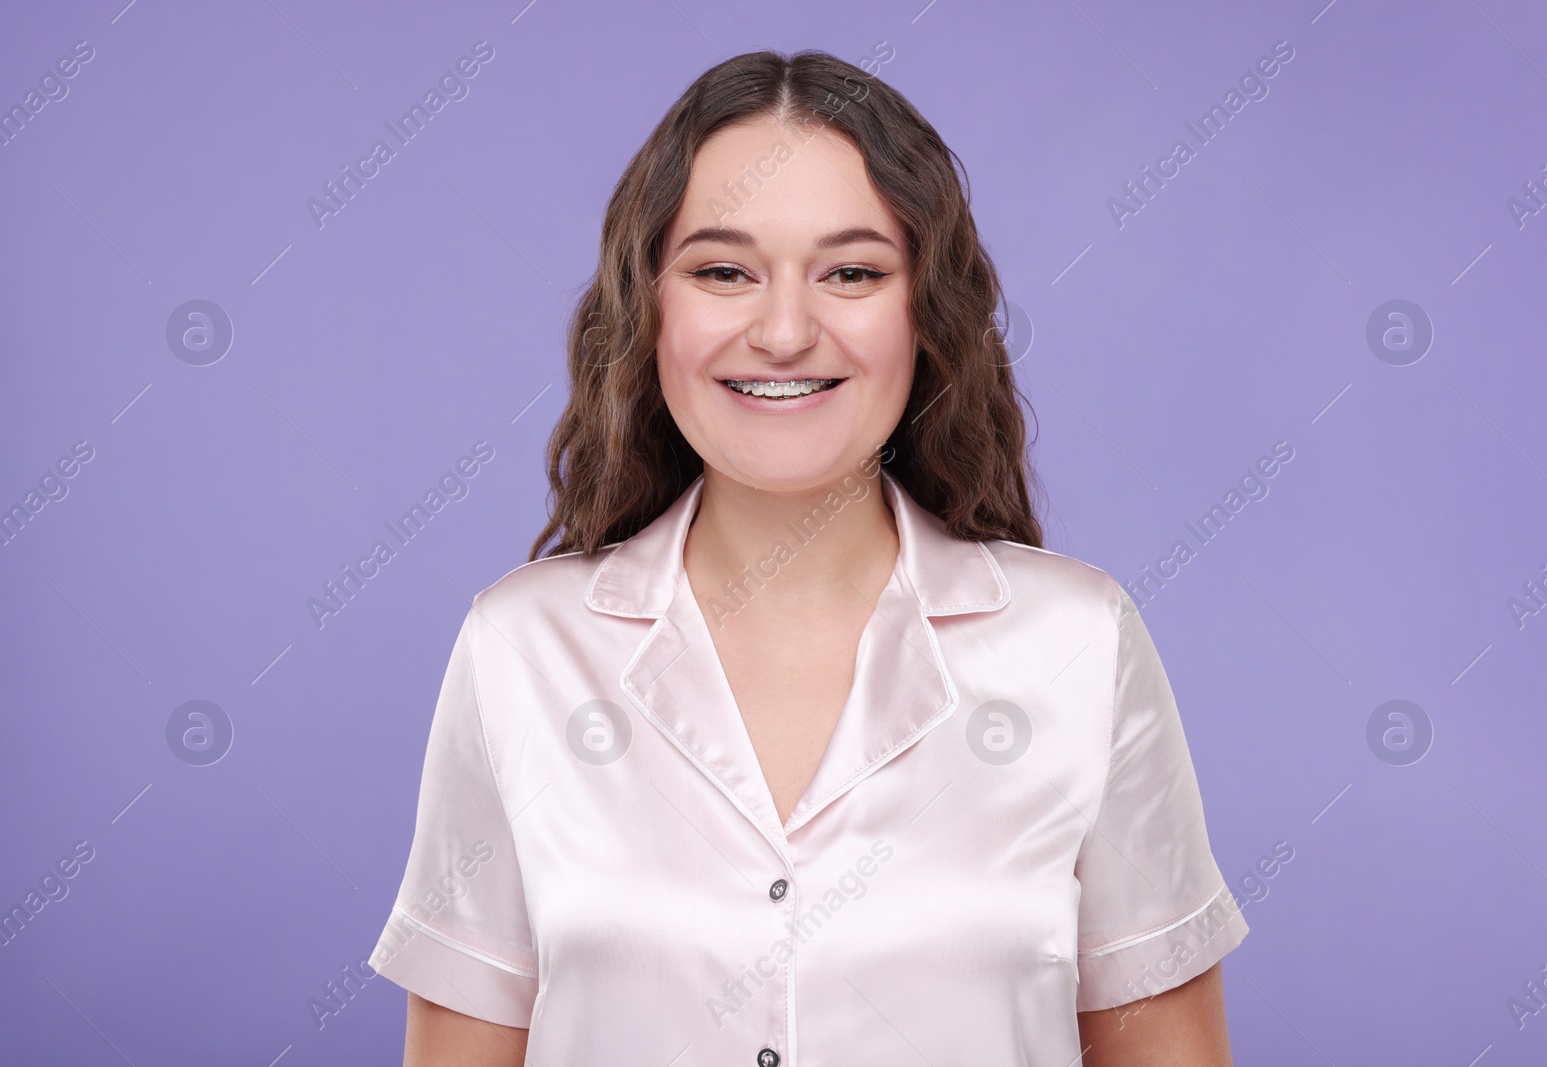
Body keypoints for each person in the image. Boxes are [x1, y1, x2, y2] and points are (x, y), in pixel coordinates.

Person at [369, 48, 1249, 1065]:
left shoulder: (1078, 645)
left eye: (852, 272)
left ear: (926, 312)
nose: (784, 330)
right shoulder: (521, 649)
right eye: (722, 271)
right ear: (651, 308)